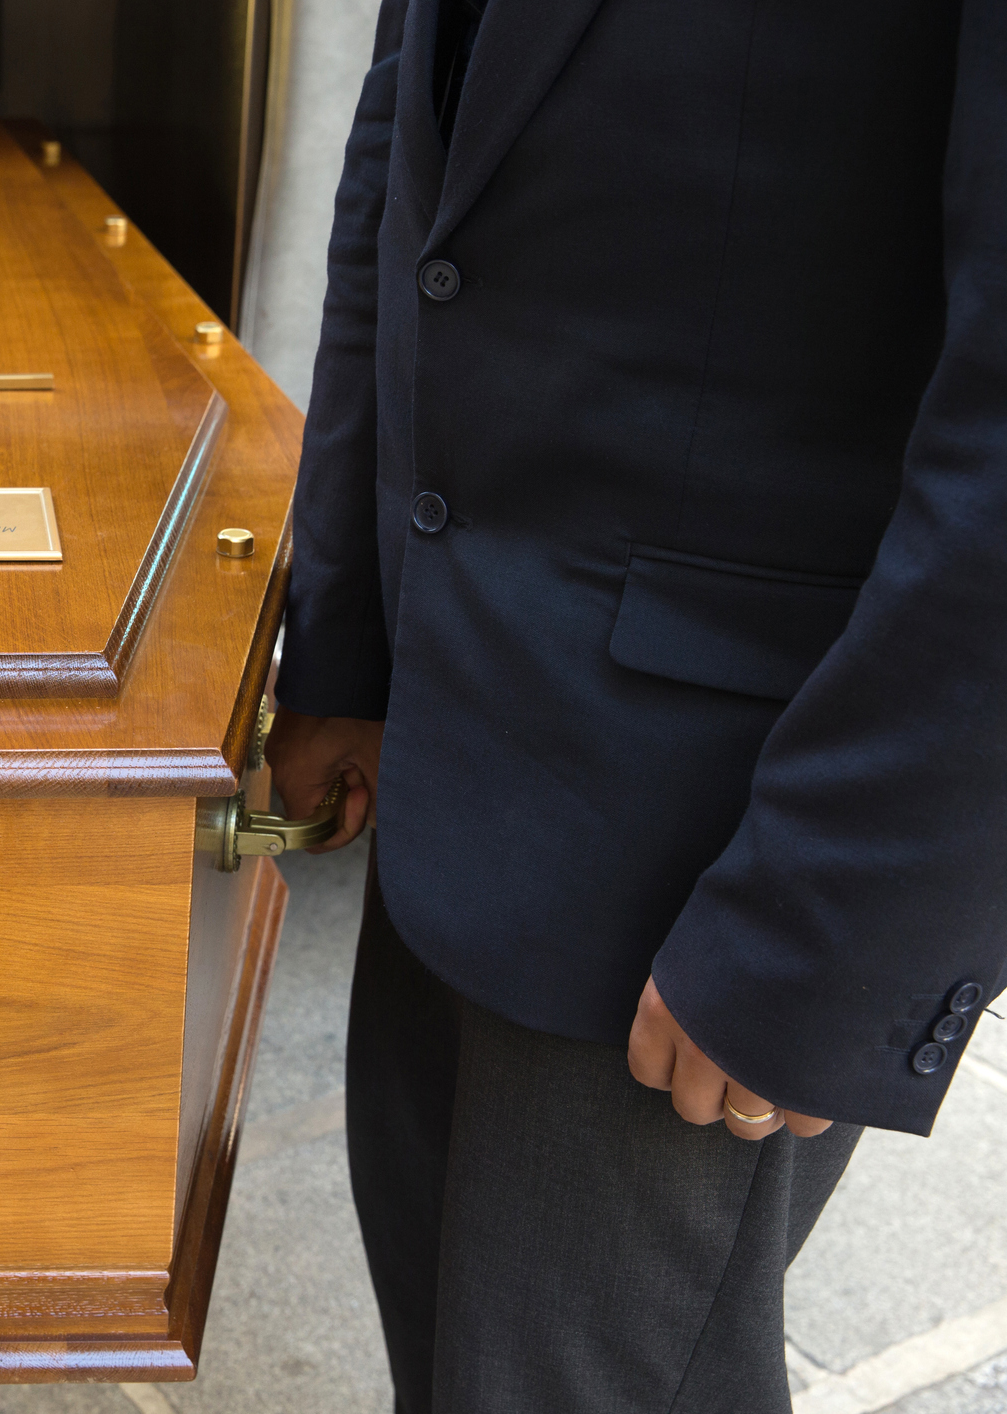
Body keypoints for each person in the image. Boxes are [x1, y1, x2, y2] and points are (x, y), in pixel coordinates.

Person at [265, 0, 1006, 1409]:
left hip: (708, 832)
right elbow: (403, 141)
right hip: (451, 735)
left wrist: (826, 927)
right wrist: (347, 643)